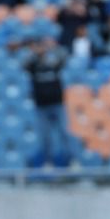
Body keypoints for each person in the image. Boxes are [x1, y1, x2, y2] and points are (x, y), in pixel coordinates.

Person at [13, 34, 71, 168]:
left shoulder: (53, 62)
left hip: (57, 104)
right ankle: (48, 162)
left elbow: (65, 57)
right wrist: (32, 51)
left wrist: (53, 47)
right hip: (41, 106)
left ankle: (70, 160)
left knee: (64, 133)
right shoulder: (33, 64)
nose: (40, 49)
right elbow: (22, 65)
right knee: (45, 137)